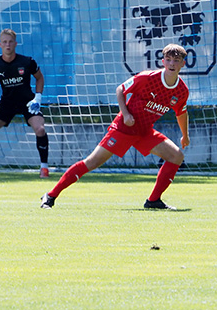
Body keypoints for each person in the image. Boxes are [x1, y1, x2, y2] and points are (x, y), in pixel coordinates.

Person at [41, 43, 190, 210]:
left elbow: (181, 113)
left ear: (183, 63)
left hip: (144, 131)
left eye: (176, 60)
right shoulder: (147, 78)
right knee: (92, 162)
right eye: (168, 60)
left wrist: (185, 135)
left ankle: (153, 201)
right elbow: (120, 89)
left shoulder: (182, 90)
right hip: (123, 129)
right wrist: (125, 114)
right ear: (163, 61)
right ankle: (51, 195)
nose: (172, 64)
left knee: (176, 156)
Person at [0, 28, 50, 178]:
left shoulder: (27, 62)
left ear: (15, 44)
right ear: (0, 44)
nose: (8, 45)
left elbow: (40, 77)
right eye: (5, 42)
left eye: (10, 42)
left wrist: (38, 97)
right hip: (7, 102)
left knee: (40, 129)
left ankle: (44, 168)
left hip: (27, 102)